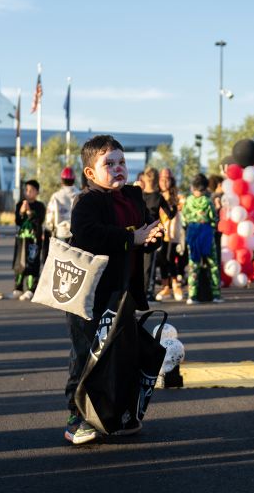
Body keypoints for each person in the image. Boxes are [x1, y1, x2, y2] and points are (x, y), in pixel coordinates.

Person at [63, 135, 163, 445]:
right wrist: (130, 238)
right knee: (86, 354)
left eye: (121, 162)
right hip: (90, 294)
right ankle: (76, 417)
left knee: (120, 353)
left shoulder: (134, 197)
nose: (118, 168)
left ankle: (116, 413)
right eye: (109, 164)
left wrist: (152, 238)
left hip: (123, 294)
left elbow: (147, 229)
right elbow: (87, 234)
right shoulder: (87, 201)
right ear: (90, 173)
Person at [181, 175, 222, 304]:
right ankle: (216, 295)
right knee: (213, 264)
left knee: (193, 264)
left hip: (193, 232)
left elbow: (184, 218)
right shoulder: (208, 201)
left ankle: (192, 296)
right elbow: (214, 219)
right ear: (205, 188)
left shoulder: (188, 201)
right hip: (206, 233)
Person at [138, 168, 171, 298]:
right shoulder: (159, 197)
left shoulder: (139, 195)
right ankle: (148, 291)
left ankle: (140, 291)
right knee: (149, 265)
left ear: (144, 179)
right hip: (153, 232)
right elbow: (170, 214)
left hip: (140, 231)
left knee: (139, 263)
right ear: (157, 180)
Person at [12, 179, 46, 299]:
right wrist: (21, 212)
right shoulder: (19, 204)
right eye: (26, 190)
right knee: (19, 262)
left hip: (34, 241)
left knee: (33, 263)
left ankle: (31, 288)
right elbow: (18, 221)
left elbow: (39, 221)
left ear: (37, 192)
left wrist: (29, 212)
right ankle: (18, 286)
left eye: (31, 190)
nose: (28, 192)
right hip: (22, 239)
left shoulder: (40, 206)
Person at [156, 168, 186, 301]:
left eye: (167, 179)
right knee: (162, 260)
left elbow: (181, 207)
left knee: (170, 259)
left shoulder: (176, 196)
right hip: (158, 231)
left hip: (172, 233)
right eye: (162, 179)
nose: (164, 182)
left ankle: (175, 285)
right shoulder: (155, 195)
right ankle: (165, 287)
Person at [44, 166, 80, 241]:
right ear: (74, 180)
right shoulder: (81, 195)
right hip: (77, 233)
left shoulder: (56, 196)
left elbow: (50, 216)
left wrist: (50, 228)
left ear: (62, 180)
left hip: (61, 233)